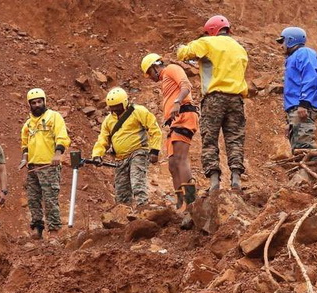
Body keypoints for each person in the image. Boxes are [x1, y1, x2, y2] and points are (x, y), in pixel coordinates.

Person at [176, 15, 248, 191]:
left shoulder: (208, 42)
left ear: (211, 31)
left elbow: (183, 54)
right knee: (235, 139)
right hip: (236, 99)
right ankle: (236, 177)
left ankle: (214, 181)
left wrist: (181, 47)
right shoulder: (240, 49)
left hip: (214, 98)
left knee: (210, 139)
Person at [142, 53, 199, 210]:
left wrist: (177, 102)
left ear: (155, 66)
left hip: (184, 116)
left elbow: (186, 85)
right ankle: (180, 203)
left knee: (180, 159)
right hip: (175, 122)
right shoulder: (165, 80)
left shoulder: (172, 69)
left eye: (149, 72)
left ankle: (191, 203)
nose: (149, 77)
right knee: (172, 164)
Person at [91, 87, 162, 208]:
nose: (115, 109)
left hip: (138, 152)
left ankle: (143, 208)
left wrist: (154, 150)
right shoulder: (109, 120)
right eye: (112, 107)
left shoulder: (139, 111)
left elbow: (154, 129)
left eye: (117, 106)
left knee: (137, 182)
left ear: (124, 102)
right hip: (120, 158)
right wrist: (97, 155)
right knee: (121, 191)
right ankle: (124, 216)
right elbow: (103, 139)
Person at [18, 88, 70, 238]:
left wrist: (58, 154)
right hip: (33, 167)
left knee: (50, 199)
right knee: (33, 199)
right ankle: (37, 230)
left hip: (49, 166)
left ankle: (54, 232)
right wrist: (24, 159)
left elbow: (62, 136)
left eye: (39, 101)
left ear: (44, 101)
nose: (37, 105)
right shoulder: (28, 124)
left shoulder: (54, 117)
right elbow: (24, 144)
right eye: (33, 103)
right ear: (29, 105)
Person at [276, 27, 317, 150]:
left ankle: (310, 169)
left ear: (291, 40)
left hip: (302, 108)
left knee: (304, 147)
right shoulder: (293, 57)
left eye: (283, 41)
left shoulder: (304, 53)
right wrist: (289, 122)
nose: (281, 46)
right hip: (297, 109)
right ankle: (304, 169)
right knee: (298, 147)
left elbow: (310, 77)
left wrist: (304, 103)